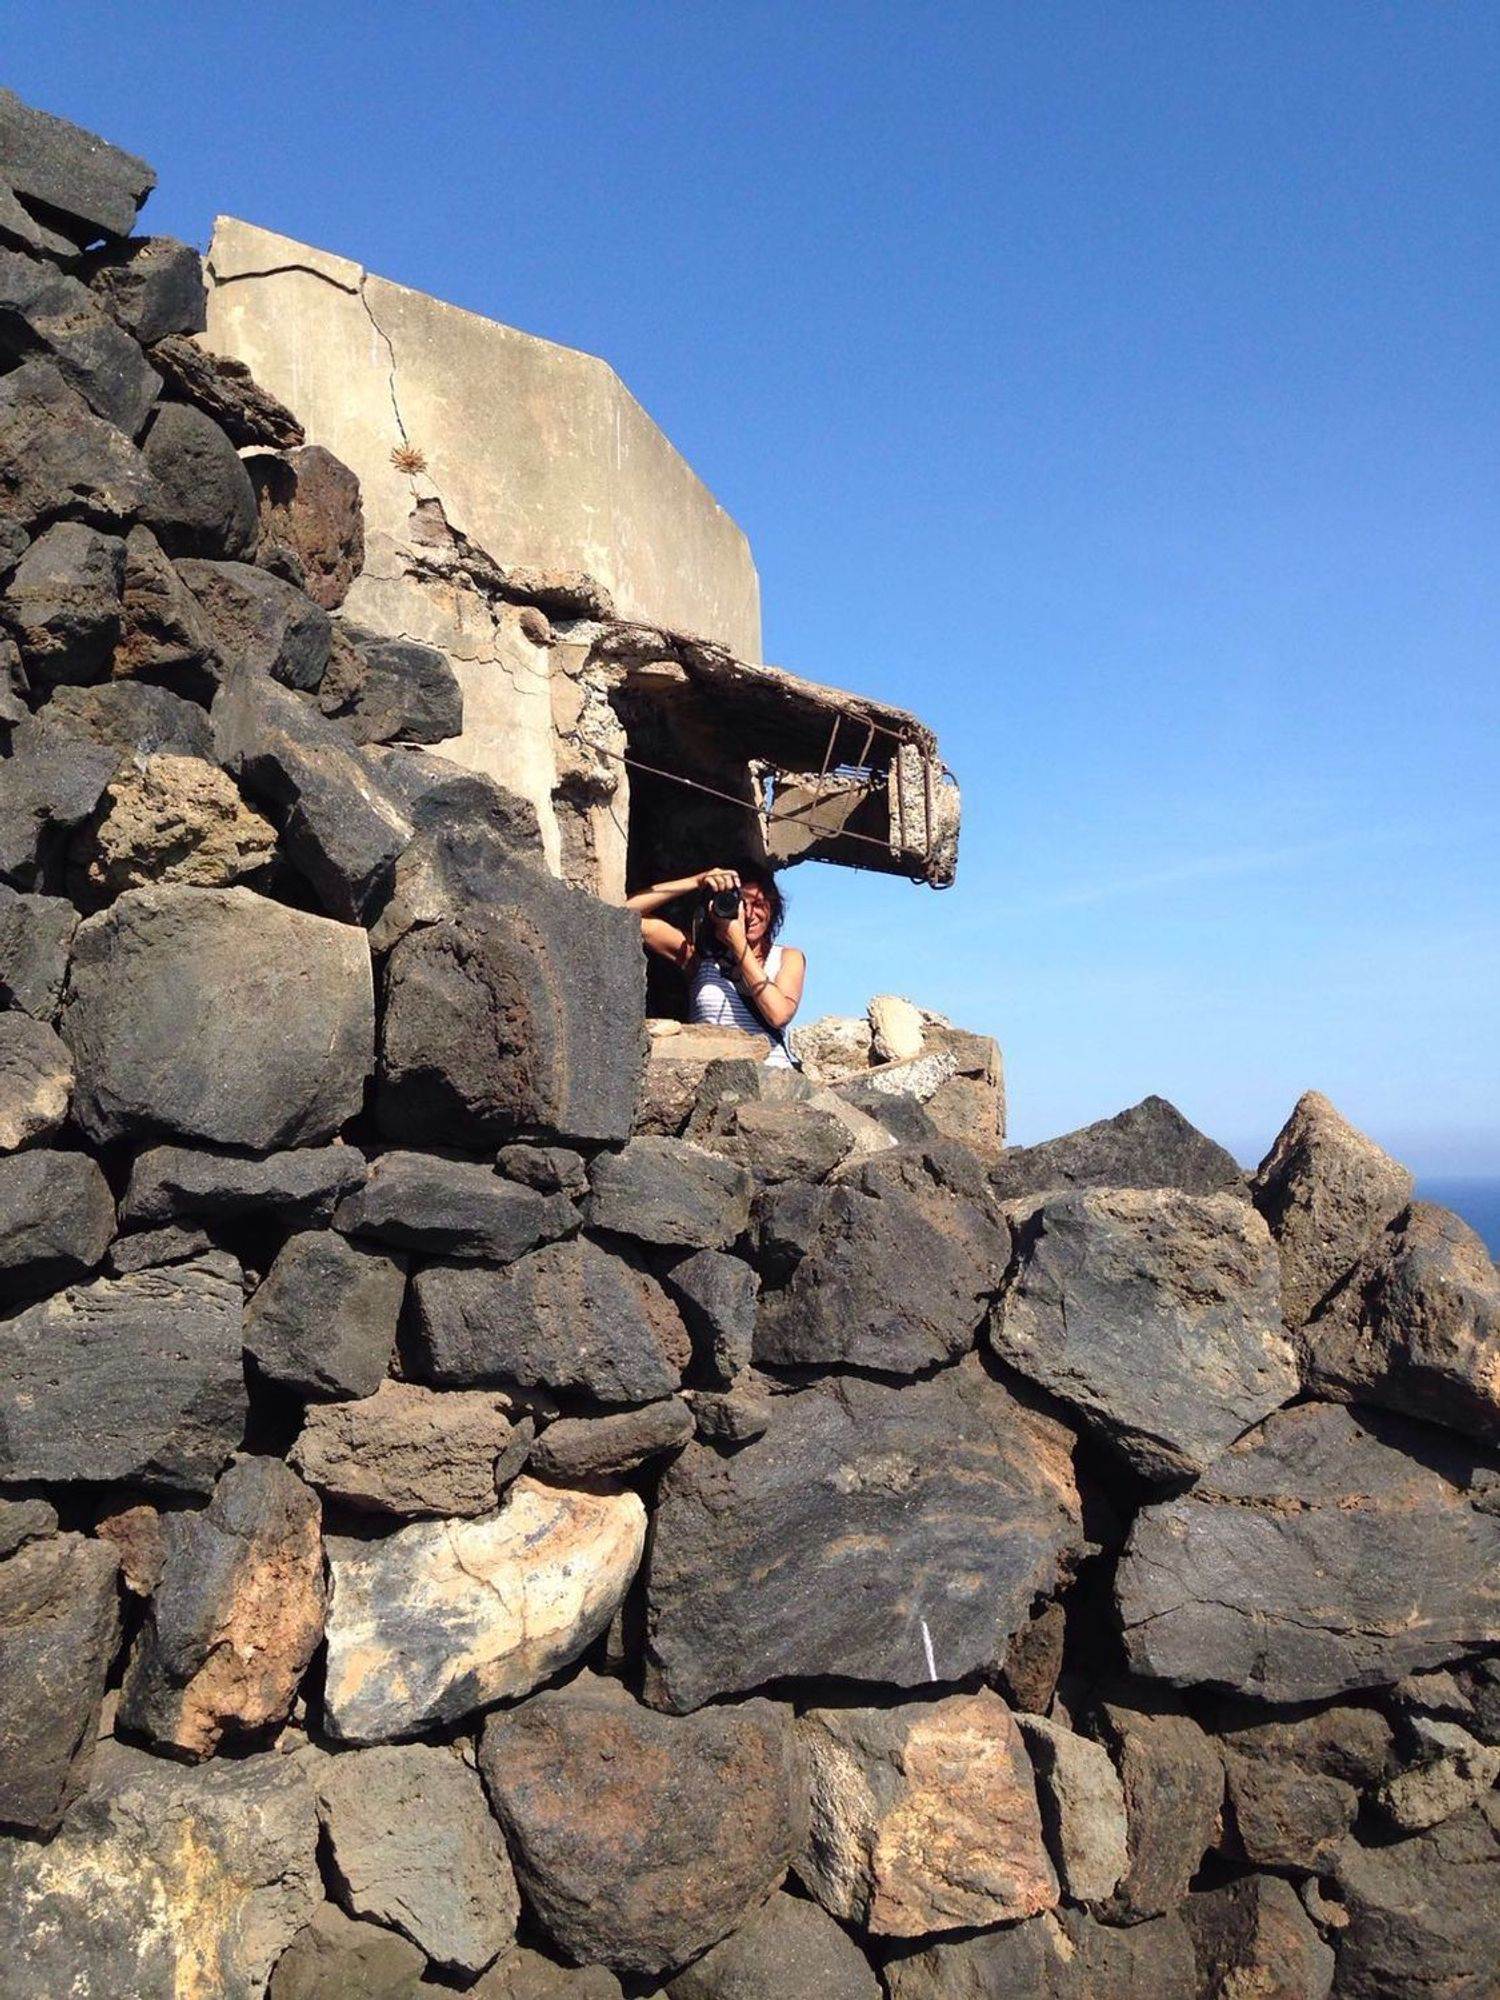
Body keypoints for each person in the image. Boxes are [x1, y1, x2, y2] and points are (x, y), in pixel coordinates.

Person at [626, 860, 806, 1066]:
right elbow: (624, 913)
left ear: (772, 908)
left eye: (758, 904)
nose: (748, 914)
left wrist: (738, 943)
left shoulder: (787, 957)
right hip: (711, 1077)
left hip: (772, 1077)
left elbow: (778, 1015)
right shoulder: (700, 958)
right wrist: (696, 881)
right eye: (740, 904)